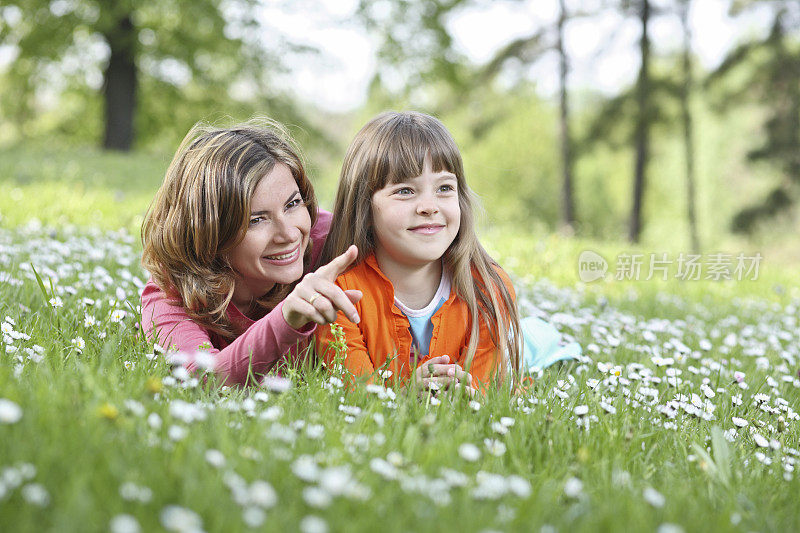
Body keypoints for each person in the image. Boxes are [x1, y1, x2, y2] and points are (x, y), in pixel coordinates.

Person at [140, 119, 362, 386]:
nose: (289, 234)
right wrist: (287, 318)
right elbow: (203, 380)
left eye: (292, 203)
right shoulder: (171, 294)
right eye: (256, 220)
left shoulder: (333, 242)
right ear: (210, 234)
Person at [315, 111, 522, 395]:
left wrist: (468, 393)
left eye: (444, 188)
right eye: (405, 191)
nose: (429, 206)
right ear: (364, 208)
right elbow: (357, 392)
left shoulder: (489, 290)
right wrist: (406, 395)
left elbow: (486, 390)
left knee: (537, 345)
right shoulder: (340, 296)